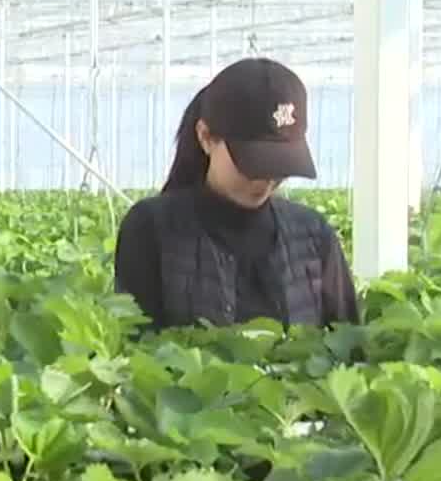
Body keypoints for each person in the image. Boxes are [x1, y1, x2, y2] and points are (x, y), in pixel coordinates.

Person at [113, 58, 360, 332]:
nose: (266, 179)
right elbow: (137, 350)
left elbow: (347, 343)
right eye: (253, 164)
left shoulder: (313, 235)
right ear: (206, 137)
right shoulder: (153, 229)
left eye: (280, 166)